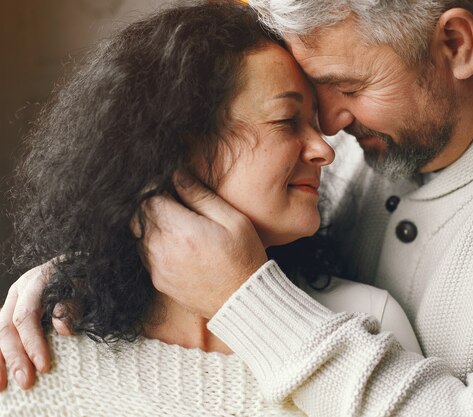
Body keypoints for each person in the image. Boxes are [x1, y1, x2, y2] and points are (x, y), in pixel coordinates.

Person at [2, 0, 473, 416]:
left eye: (348, 88)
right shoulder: (372, 132)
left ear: (456, 45)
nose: (329, 131)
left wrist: (246, 300)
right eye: (305, 100)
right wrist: (94, 268)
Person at [0, 2, 420, 415]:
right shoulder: (41, 343)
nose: (325, 150)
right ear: (177, 148)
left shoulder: (369, 321)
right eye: (287, 120)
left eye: (314, 122)